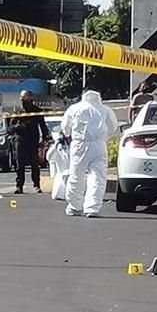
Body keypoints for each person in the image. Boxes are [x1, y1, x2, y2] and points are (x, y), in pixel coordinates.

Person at [60, 88, 119, 218]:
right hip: (99, 145)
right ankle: (92, 208)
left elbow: (65, 128)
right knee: (98, 177)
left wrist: (69, 134)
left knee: (76, 176)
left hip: (79, 144)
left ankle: (74, 206)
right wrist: (103, 137)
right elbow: (113, 127)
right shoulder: (105, 110)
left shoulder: (74, 108)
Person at [7, 90, 51, 194]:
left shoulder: (37, 111)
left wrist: (46, 138)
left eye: (25, 98)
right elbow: (10, 128)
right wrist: (17, 127)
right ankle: (19, 186)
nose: (23, 100)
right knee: (20, 165)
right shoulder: (17, 111)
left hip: (33, 140)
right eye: (21, 98)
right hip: (20, 140)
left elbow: (43, 126)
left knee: (34, 164)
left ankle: (36, 185)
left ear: (31, 98)